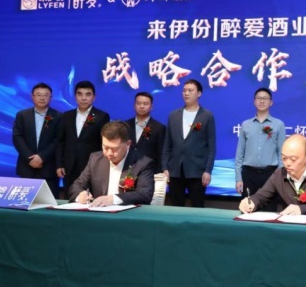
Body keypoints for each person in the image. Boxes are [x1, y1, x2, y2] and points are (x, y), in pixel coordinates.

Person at [239, 134, 306, 215]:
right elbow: (261, 197)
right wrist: (251, 202)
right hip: (289, 227)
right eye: (284, 158)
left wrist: (301, 209)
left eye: (293, 159)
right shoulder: (279, 174)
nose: (287, 163)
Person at [70, 120, 154, 206]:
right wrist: (80, 195)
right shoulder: (95, 159)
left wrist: (113, 199)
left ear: (128, 144)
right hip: (99, 211)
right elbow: (77, 185)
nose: (109, 153)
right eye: (105, 147)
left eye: (115, 149)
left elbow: (145, 194)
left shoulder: (142, 163)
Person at [162, 79, 216, 207]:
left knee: (197, 207)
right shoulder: (174, 115)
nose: (186, 93)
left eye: (190, 90)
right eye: (184, 90)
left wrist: (208, 170)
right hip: (175, 170)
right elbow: (167, 145)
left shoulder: (207, 116)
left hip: (197, 171)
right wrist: (165, 168)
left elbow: (211, 147)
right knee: (176, 206)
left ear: (199, 93)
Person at [55, 80, 111, 198]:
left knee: (90, 198)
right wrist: (59, 164)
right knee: (69, 197)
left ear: (94, 97)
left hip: (91, 166)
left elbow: (103, 143)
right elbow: (60, 142)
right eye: (80, 94)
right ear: (75, 96)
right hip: (69, 166)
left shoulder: (102, 116)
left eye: (88, 94)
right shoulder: (66, 116)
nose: (83, 98)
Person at [234, 87, 285, 212]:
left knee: (269, 212)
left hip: (270, 175)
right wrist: (238, 178)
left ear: (271, 102)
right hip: (249, 174)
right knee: (247, 211)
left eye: (265, 98)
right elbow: (240, 154)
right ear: (254, 101)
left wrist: (279, 177)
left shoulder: (278, 125)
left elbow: (282, 154)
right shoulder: (246, 125)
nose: (262, 101)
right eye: (259, 98)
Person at [12, 83, 62, 199]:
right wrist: (30, 158)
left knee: (48, 203)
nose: (42, 98)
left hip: (48, 168)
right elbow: (17, 137)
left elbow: (58, 140)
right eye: (38, 95)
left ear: (50, 97)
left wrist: (42, 157)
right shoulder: (22, 115)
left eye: (45, 95)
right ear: (32, 96)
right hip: (27, 167)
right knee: (24, 202)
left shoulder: (59, 116)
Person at [125, 92, 165, 174]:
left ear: (151, 107)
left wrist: (158, 173)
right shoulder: (125, 125)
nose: (142, 106)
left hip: (148, 172)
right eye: (138, 103)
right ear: (134, 105)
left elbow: (161, 153)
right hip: (126, 170)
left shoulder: (159, 128)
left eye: (145, 104)